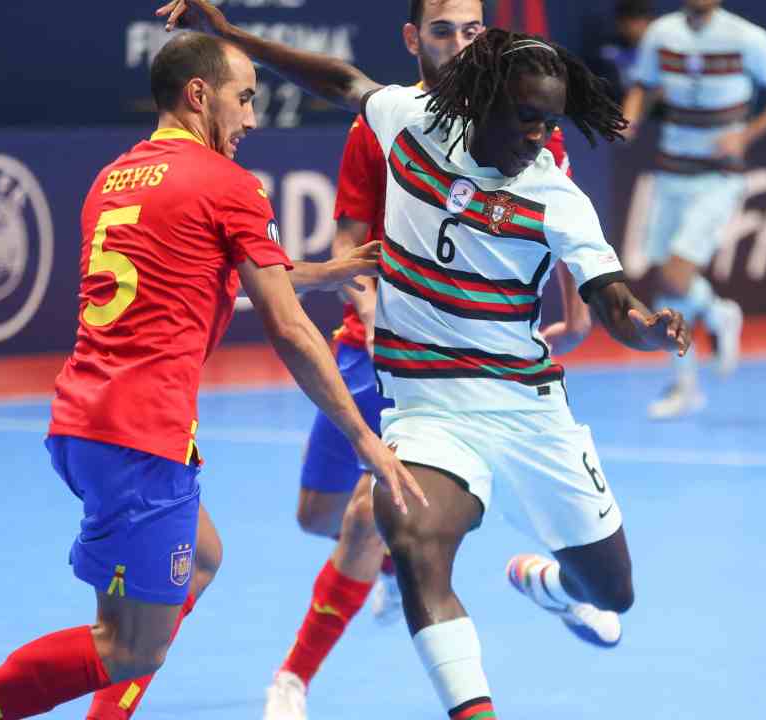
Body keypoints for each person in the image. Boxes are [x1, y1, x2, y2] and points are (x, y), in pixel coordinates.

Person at [0, 31, 425, 720]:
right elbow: (288, 329)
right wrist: (365, 441)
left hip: (86, 421)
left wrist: (319, 272)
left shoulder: (116, 178)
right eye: (244, 98)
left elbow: (194, 272)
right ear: (200, 95)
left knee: (202, 557)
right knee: (128, 647)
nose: (252, 118)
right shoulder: (230, 185)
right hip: (143, 437)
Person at [160, 3, 690, 718]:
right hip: (426, 401)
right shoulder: (412, 118)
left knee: (611, 591)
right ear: (482, 105)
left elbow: (612, 301)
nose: (541, 138)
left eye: (551, 122)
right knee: (409, 536)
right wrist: (227, 35)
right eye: (528, 120)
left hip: (525, 406)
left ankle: (552, 586)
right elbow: (337, 80)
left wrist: (650, 330)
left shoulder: (555, 196)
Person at [259, 1, 592, 718]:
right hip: (370, 347)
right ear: (415, 39)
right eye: (443, 30)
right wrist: (366, 301)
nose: (460, 43)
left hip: (463, 370)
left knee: (362, 518)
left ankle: (291, 677)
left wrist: (581, 303)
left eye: (472, 30)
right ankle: (394, 557)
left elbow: (561, 211)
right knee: (318, 515)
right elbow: (353, 237)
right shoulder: (382, 121)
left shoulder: (521, 119)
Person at [620, 0, 766, 419]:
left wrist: (747, 134)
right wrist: (631, 116)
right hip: (671, 173)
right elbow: (644, 85)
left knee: (675, 274)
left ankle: (719, 313)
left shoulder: (747, 37)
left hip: (718, 178)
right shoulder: (661, 34)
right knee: (667, 288)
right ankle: (686, 387)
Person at [585, 0, 658, 102]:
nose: (634, 26)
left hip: (651, 111)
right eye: (627, 19)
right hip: (614, 107)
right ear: (619, 23)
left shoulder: (659, 51)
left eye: (639, 19)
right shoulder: (606, 52)